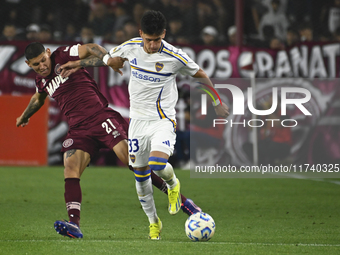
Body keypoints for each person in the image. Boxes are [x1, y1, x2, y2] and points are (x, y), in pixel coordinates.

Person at [60, 10, 229, 240]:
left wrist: (216, 101)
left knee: (158, 164)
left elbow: (200, 75)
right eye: (148, 40)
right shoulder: (131, 46)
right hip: (137, 123)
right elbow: (106, 58)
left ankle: (173, 184)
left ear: (164, 35)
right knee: (140, 177)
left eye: (157, 40)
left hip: (162, 121)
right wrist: (78, 64)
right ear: (141, 34)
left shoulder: (175, 56)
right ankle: (154, 222)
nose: (152, 45)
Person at [16, 41, 202, 239]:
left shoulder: (62, 55)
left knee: (132, 162)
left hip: (101, 118)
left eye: (43, 60)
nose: (42, 66)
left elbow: (90, 47)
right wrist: (25, 116)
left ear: (48, 53)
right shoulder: (41, 81)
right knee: (70, 168)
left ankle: (184, 203)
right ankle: (74, 224)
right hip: (79, 129)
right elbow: (38, 99)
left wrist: (106, 60)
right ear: (29, 65)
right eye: (36, 65)